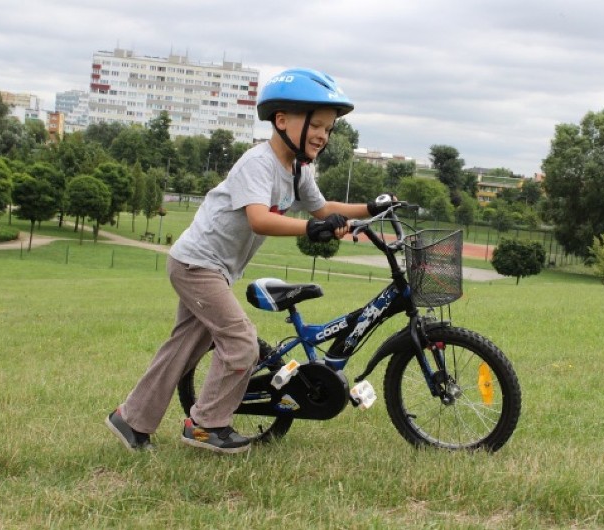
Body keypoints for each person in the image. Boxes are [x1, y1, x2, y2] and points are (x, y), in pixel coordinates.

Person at [105, 68, 392, 454]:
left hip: (213, 269)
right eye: (317, 125)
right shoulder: (257, 163)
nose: (324, 135)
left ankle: (130, 420)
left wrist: (369, 208)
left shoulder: (297, 169)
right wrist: (310, 229)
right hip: (196, 265)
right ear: (282, 120)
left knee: (183, 349)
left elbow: (323, 208)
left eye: (329, 128)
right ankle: (206, 424)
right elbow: (259, 218)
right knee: (241, 343)